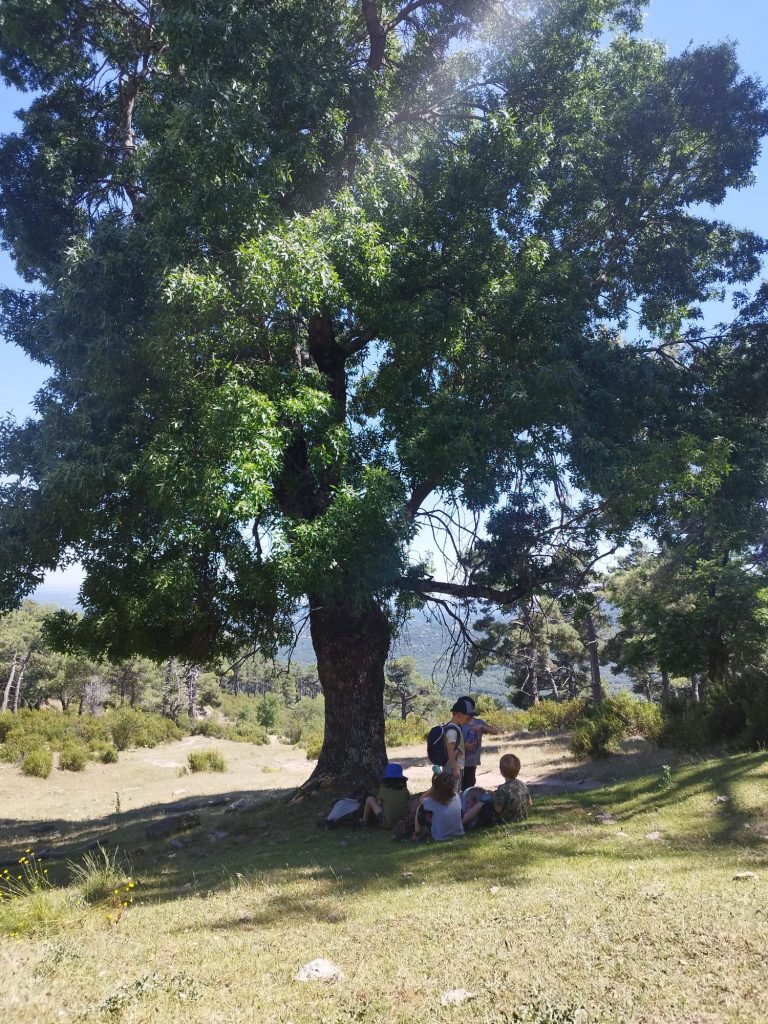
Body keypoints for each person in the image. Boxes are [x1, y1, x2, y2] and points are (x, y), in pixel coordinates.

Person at [411, 770, 464, 841]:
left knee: (419, 809)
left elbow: (421, 800)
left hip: (440, 837)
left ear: (436, 787)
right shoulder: (457, 797)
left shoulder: (432, 801)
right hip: (459, 833)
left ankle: (417, 833)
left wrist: (432, 788)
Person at [460, 700, 501, 791]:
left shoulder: (479, 723)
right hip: (459, 760)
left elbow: (495, 731)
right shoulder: (459, 723)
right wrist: (464, 746)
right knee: (459, 786)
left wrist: (483, 727)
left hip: (471, 761)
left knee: (469, 785)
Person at [434, 697, 475, 789]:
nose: (468, 721)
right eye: (467, 718)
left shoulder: (456, 728)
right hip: (451, 768)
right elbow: (451, 751)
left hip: (454, 767)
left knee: (455, 791)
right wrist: (455, 769)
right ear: (459, 715)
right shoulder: (452, 730)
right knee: (452, 792)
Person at [361, 763, 411, 829]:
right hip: (403, 821)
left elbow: (379, 803)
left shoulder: (384, 788)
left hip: (387, 824)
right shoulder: (404, 789)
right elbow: (408, 800)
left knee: (370, 799)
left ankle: (364, 822)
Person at [493, 753, 531, 823]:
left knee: (483, 806)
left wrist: (494, 797)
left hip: (506, 820)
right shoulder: (523, 785)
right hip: (522, 817)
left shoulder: (503, 788)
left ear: (501, 771)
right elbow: (530, 803)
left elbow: (498, 809)